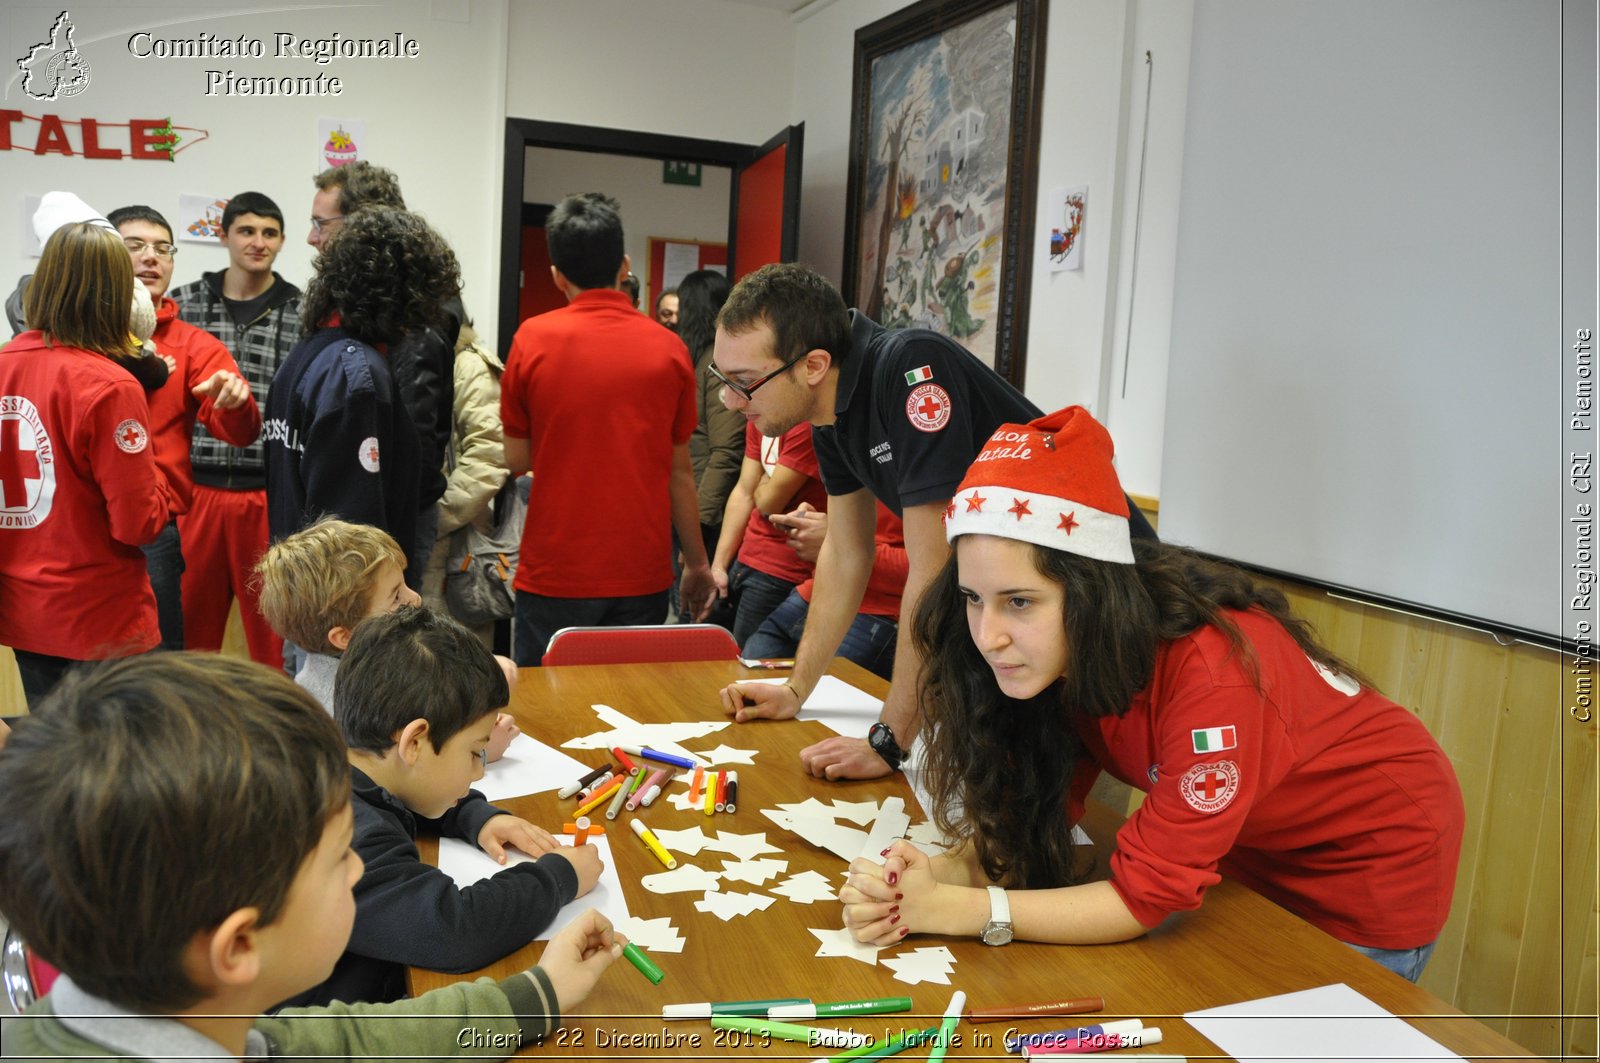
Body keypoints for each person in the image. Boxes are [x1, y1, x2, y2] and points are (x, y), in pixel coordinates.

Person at [837, 406, 1465, 983]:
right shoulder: (1056, 655)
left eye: (1019, 601)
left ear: (1091, 594)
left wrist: (956, 909)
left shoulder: (1214, 676)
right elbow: (1029, 821)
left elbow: (1140, 899)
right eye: (973, 599)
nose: (988, 636)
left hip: (1369, 866)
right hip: (1252, 847)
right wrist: (929, 876)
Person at [0, 653, 623, 1060]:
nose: (359, 869)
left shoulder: (185, 1015)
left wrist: (535, 995)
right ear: (239, 947)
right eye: (337, 862)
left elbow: (337, 1041)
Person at [712, 264, 1156, 781]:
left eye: (744, 384)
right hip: (1030, 613)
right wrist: (796, 689)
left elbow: (932, 567)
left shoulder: (910, 369)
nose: (729, 400)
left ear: (813, 365)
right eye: (723, 380)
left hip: (1112, 605)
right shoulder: (828, 418)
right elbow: (845, 552)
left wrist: (887, 741)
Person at [289, 605, 603, 1007]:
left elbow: (402, 792)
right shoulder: (348, 837)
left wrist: (474, 815)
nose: (478, 774)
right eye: (476, 753)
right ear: (415, 742)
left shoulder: (342, 765)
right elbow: (454, 929)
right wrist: (559, 878)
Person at [499, 193, 712, 663]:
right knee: (628, 716)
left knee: (545, 721)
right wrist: (697, 564)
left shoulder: (530, 340)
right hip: (641, 574)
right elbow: (680, 473)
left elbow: (517, 460)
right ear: (625, 265)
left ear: (556, 274)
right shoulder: (669, 349)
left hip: (554, 571)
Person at [0, 222, 173, 706]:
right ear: (118, 294)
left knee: (54, 760)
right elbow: (138, 523)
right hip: (100, 617)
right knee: (114, 769)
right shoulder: (111, 384)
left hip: (23, 607)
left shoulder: (4, 364)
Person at [264, 208, 461, 596]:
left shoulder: (308, 353)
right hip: (347, 603)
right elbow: (353, 532)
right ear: (401, 291)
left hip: (301, 589)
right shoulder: (358, 376)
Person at [109, 204, 261, 653]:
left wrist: (234, 402)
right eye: (134, 246)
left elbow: (241, 432)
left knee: (161, 667)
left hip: (152, 530)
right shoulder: (78, 337)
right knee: (74, 673)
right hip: (77, 525)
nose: (151, 257)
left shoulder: (193, 344)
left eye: (162, 248)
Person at [306, 161, 460, 588]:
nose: (312, 237)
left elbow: (408, 454)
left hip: (380, 529)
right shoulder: (353, 311)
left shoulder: (412, 321)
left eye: (322, 223)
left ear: (362, 224)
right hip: (351, 521)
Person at [170, 190, 302, 668]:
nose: (258, 242)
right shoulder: (182, 305)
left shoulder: (303, 312)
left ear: (282, 241)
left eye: (269, 233)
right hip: (195, 492)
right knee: (187, 634)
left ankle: (275, 736)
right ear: (223, 235)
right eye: (247, 231)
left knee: (275, 633)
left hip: (267, 494)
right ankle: (187, 734)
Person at [254, 517, 517, 755]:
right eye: (395, 597)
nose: (415, 599)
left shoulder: (380, 659)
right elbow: (399, 781)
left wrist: (480, 674)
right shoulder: (343, 710)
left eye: (405, 586)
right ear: (345, 637)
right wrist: (479, 752)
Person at [420, 319, 512, 642]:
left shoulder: (468, 363)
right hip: (413, 545)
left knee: (457, 664)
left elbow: (490, 455)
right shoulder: (408, 357)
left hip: (454, 544)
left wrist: (435, 516)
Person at [743, 501, 906, 681]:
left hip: (878, 613)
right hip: (814, 593)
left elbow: (928, 568)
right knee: (743, 682)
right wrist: (814, 524)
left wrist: (835, 542)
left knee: (818, 698)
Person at [710, 420, 828, 648]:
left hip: (784, 568)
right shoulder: (758, 417)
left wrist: (763, 485)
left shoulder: (805, 425)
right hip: (747, 558)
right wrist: (719, 566)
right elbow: (744, 491)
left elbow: (768, 503)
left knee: (752, 666)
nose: (736, 404)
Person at [680, 269, 742, 571]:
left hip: (706, 512)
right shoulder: (696, 360)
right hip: (689, 504)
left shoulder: (716, 365)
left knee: (692, 608)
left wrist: (699, 520)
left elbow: (726, 450)